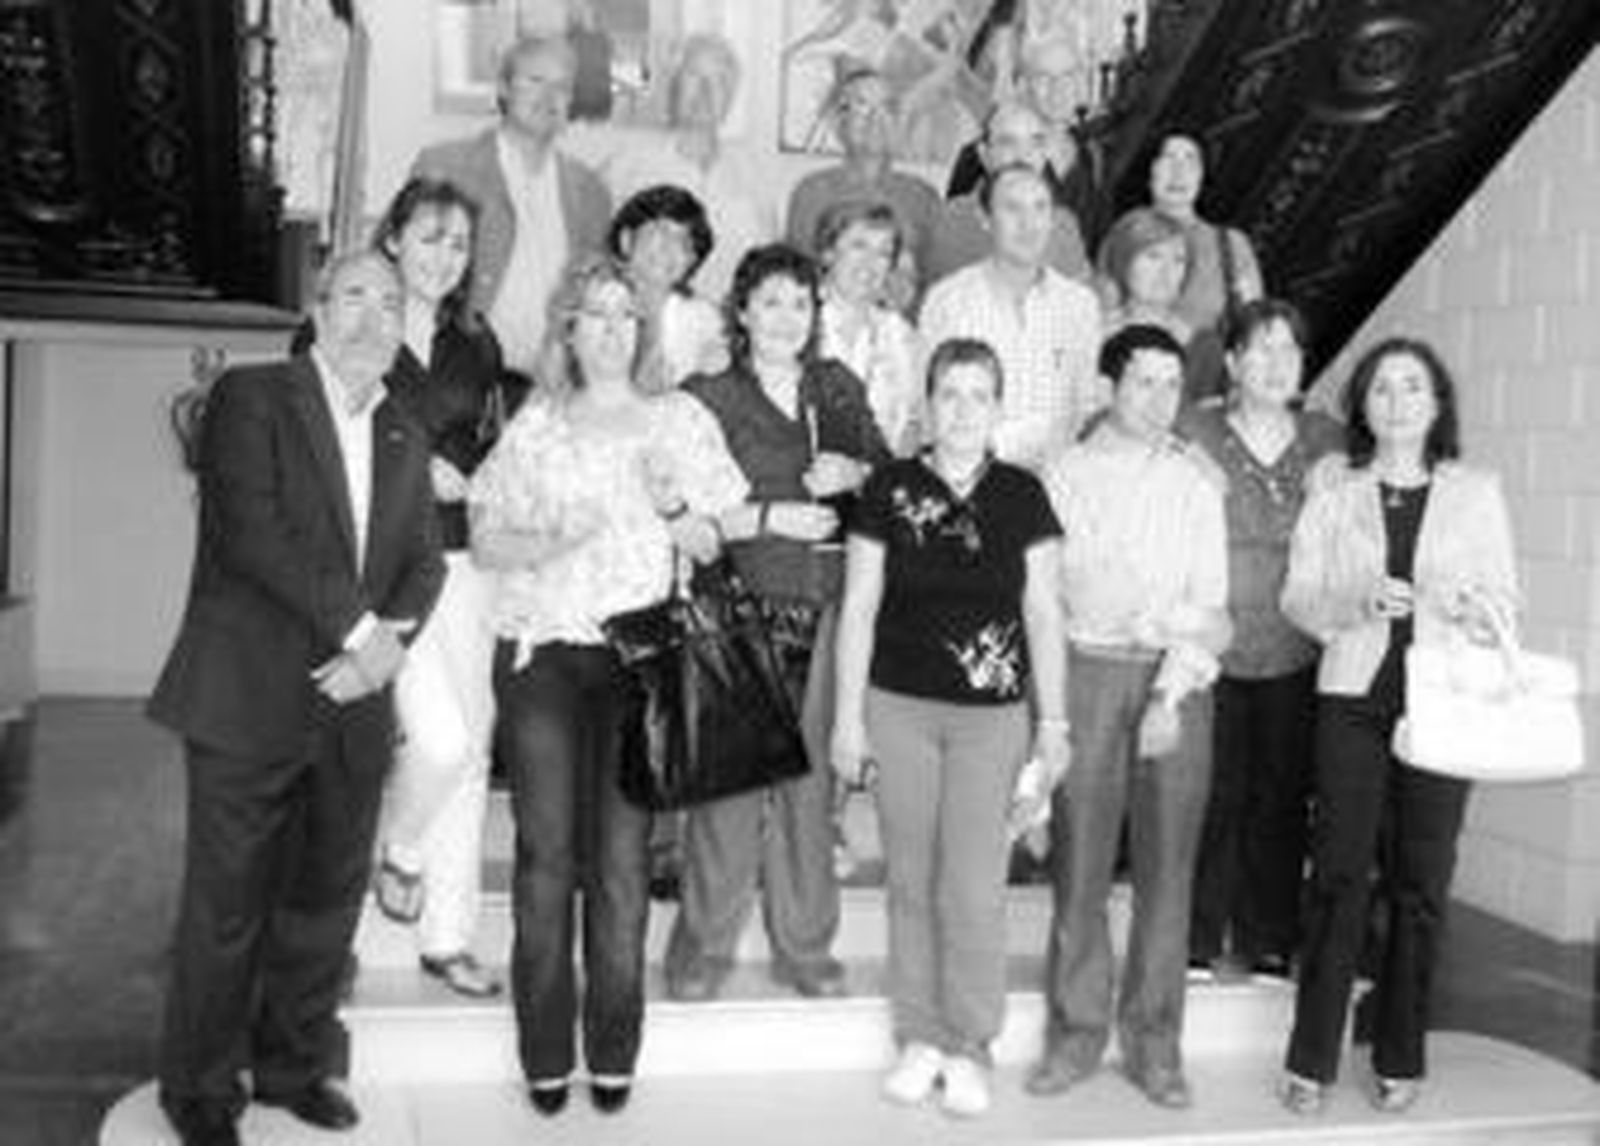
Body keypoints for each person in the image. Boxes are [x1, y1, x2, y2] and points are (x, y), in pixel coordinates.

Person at [149, 250, 444, 1146]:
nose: (372, 316)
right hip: (247, 699)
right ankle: (198, 1091)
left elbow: (425, 561)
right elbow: (257, 535)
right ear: (318, 308)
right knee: (226, 908)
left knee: (322, 905)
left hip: (350, 709)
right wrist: (369, 639)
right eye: (354, 295)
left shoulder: (406, 428)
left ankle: (291, 1068)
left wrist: (378, 658)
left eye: (390, 303)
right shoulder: (252, 398)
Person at [468, 254, 748, 1116]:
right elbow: (485, 542)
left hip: (640, 661)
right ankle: (546, 1052)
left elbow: (715, 539)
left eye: (629, 316)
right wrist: (550, 539)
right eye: (597, 314)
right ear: (569, 329)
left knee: (622, 865)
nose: (614, 330)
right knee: (548, 860)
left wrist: (672, 509)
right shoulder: (537, 423)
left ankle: (614, 1046)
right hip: (545, 655)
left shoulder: (680, 417)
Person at [1278, 338, 1518, 1117]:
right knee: (1339, 877)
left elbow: (1505, 606)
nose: (1397, 401)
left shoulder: (1478, 493)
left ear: (1437, 403)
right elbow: (1298, 599)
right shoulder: (1334, 489)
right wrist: (1355, 600)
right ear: (1364, 407)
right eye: (1382, 388)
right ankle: (1311, 1053)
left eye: (1413, 387)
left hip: (1444, 702)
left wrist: (1467, 611)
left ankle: (1400, 1049)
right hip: (1352, 698)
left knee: (1421, 885)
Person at [832, 337, 1069, 1118]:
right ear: (927, 405)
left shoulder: (1022, 495)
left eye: (979, 395)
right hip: (898, 709)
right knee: (911, 881)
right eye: (950, 395)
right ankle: (920, 1035)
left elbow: (1042, 613)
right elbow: (860, 608)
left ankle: (969, 1042)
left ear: (997, 408)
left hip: (991, 720)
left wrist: (1054, 723)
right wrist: (846, 721)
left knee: (971, 888)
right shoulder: (888, 489)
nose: (963, 410)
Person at [665, 243, 890, 1003]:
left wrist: (855, 474)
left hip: (826, 609)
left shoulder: (838, 388)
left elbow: (891, 485)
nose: (786, 317)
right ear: (742, 312)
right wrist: (767, 517)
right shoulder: (707, 395)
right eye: (770, 302)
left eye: (800, 303)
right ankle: (701, 949)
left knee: (810, 787)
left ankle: (805, 947)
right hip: (738, 609)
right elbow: (679, 512)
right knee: (729, 792)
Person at [1029, 324, 1229, 1110]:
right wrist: (1139, 604)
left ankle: (1155, 1046)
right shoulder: (1063, 474)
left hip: (1175, 682)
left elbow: (1209, 603)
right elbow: (1066, 587)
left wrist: (1172, 691)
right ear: (1109, 388)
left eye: (1171, 385)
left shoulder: (1194, 483)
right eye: (1142, 382)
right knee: (1077, 867)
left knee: (1167, 874)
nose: (1158, 399)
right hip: (1085, 671)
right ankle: (1075, 1036)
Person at [365, 177, 517, 999]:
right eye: (429, 237)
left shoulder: (475, 340)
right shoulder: (354, 319)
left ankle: (448, 935)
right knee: (441, 741)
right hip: (382, 567)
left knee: (474, 745)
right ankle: (402, 850)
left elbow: (494, 440)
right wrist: (412, 467)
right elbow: (320, 433)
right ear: (393, 238)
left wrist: (478, 476)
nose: (444, 257)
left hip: (466, 562)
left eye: (458, 244)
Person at [1183, 300, 1342, 981]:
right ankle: (1197, 936)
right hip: (1211, 646)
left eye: (1290, 351)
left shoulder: (1324, 435)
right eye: (1262, 349)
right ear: (1232, 362)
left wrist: (1341, 475)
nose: (1277, 364)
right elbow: (1117, 426)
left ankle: (1270, 937)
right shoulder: (1198, 425)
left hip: (1295, 646)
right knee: (1211, 795)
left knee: (1280, 798)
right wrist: (1180, 456)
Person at [411, 33, 612, 378]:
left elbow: (598, 292)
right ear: (503, 88)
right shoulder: (445, 168)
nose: (548, 97)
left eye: (561, 87)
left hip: (554, 386)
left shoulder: (591, 190)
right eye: (534, 81)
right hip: (460, 380)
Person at [918, 162, 1101, 470]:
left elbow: (1086, 407)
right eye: (1012, 208)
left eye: (1040, 208)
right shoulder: (948, 301)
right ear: (985, 219)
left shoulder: (1081, 305)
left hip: (1060, 482)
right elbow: (928, 409)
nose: (1028, 224)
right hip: (973, 477)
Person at [604, 33, 778, 304]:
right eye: (694, 76)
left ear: (730, 98)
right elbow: (601, 261)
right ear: (674, 87)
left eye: (719, 81)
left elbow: (770, 268)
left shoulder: (755, 175)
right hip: (648, 329)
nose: (705, 92)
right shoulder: (628, 166)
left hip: (730, 332)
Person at [1107, 131, 1263, 405]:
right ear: (1150, 170)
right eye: (1168, 158)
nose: (1178, 171)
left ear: (1202, 175)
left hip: (1204, 388)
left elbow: (1255, 334)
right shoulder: (1122, 234)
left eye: (1190, 160)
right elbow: (1101, 311)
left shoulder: (1230, 245)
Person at [785, 66, 943, 311]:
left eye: (887, 109)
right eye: (862, 107)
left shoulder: (923, 197)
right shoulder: (811, 192)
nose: (875, 119)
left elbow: (938, 287)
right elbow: (796, 282)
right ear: (839, 122)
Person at [945, 33, 1107, 248]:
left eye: (1069, 76)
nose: (1058, 88)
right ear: (1023, 84)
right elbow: (956, 236)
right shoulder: (982, 154)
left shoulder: (1093, 154)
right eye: (1043, 77)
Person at [922, 99, 1091, 289]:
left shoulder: (1063, 222)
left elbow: (1081, 306)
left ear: (1045, 155)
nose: (1023, 155)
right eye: (1008, 142)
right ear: (984, 154)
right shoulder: (950, 218)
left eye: (1036, 143)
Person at [815, 199, 922, 454]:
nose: (870, 262)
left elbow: (912, 426)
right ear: (828, 253)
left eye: (883, 253)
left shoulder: (902, 336)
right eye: (859, 246)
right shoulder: (797, 323)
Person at [607, 183, 727, 393]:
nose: (669, 247)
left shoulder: (702, 319)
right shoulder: (594, 306)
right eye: (659, 231)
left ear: (690, 262)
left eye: (684, 242)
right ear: (626, 241)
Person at [1096, 206, 1192, 346]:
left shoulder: (1191, 342)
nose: (1167, 270)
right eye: (1153, 256)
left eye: (1179, 259)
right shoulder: (1094, 334)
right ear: (1123, 260)